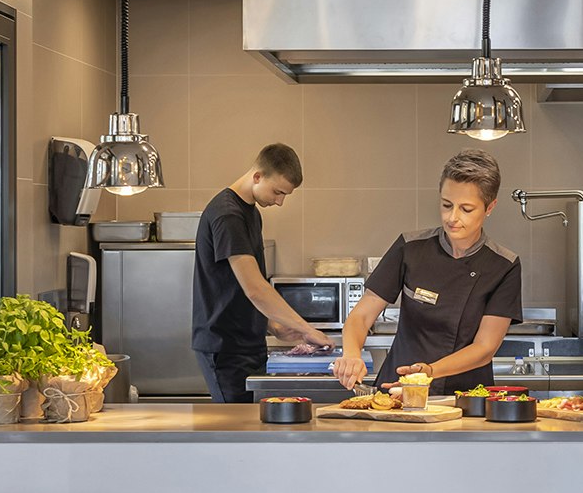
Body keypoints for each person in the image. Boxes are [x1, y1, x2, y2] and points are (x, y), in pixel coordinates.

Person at [330, 150, 523, 398]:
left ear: (490, 207)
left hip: (463, 399)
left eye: (466, 209)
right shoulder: (410, 248)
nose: (452, 217)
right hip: (396, 390)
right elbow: (362, 315)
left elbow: (485, 347)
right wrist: (351, 354)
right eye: (446, 205)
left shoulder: (503, 266)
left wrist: (427, 373)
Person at [191, 143, 333, 403]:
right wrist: (306, 329)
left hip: (247, 342)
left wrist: (272, 324)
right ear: (257, 176)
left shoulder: (251, 214)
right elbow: (255, 289)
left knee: (253, 421)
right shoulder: (227, 214)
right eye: (278, 192)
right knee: (236, 423)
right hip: (225, 347)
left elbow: (236, 286)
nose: (279, 202)